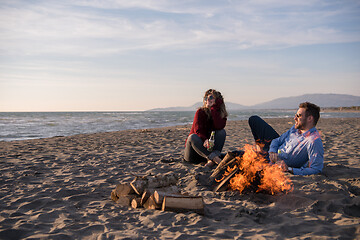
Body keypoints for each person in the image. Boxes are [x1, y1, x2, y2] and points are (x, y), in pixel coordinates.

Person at [248, 102, 324, 175]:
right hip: (272, 151)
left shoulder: (313, 141)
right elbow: (276, 140)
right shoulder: (295, 129)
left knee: (238, 155)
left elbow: (316, 169)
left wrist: (289, 169)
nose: (294, 118)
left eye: (298, 116)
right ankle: (260, 150)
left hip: (276, 162)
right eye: (295, 115)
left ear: (310, 118)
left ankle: (261, 154)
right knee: (254, 119)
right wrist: (272, 151)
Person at [184, 89, 228, 167]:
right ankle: (215, 160)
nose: (207, 100)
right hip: (195, 152)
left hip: (207, 153)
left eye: (211, 97)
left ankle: (212, 160)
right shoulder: (200, 112)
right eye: (206, 98)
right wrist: (204, 139)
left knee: (222, 132)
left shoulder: (221, 115)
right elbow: (198, 130)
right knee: (192, 137)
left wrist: (214, 109)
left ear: (218, 101)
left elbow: (218, 126)